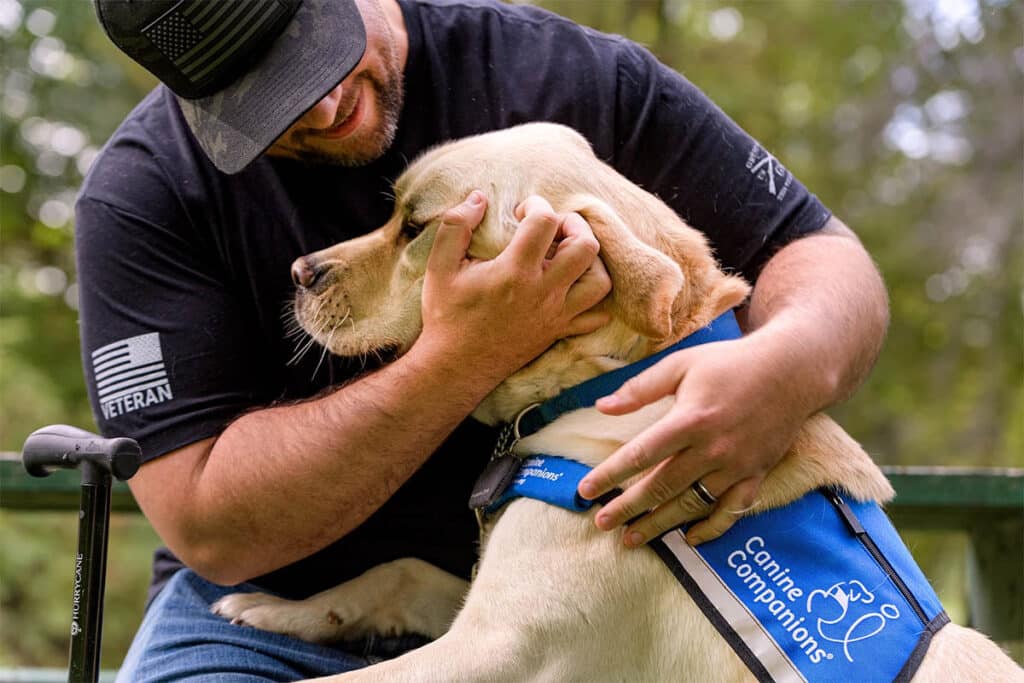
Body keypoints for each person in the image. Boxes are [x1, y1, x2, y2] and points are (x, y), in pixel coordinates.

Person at [78, 0, 888, 679]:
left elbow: (822, 257)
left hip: (587, 599)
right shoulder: (144, 196)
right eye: (265, 96)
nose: (322, 106)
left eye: (314, 53)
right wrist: (463, 357)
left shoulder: (575, 76)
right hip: (264, 612)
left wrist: (785, 369)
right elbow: (211, 523)